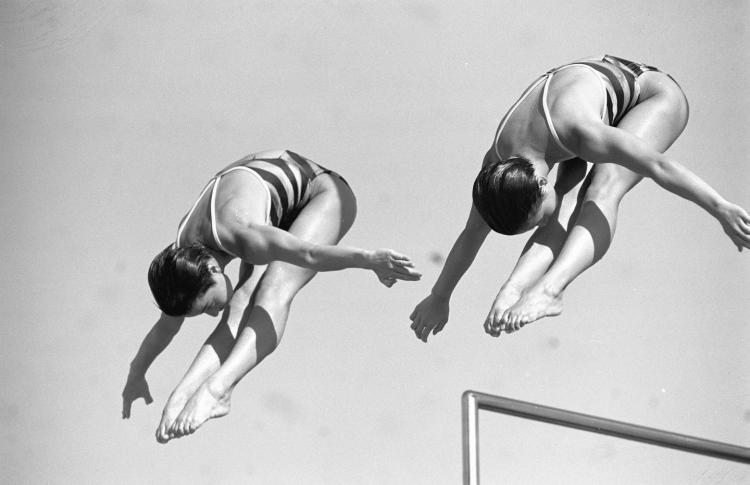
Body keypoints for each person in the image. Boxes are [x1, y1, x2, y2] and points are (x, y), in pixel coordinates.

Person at [410, 54, 750, 341]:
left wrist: (719, 207)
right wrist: (440, 296)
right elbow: (472, 233)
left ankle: (550, 291)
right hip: (581, 108)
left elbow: (658, 167)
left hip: (652, 94)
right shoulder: (498, 170)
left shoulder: (582, 134)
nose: (542, 225)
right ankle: (514, 288)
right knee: (566, 198)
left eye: (537, 219)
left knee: (603, 187)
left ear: (540, 184)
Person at [122, 149, 421, 442]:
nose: (212, 313)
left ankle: (219, 390)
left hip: (324, 192)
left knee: (274, 288)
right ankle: (183, 394)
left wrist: (369, 260)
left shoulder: (245, 236)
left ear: (212, 269)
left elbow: (310, 254)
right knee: (238, 304)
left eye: (208, 305)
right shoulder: (180, 262)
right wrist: (137, 374)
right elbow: (165, 329)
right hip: (268, 205)